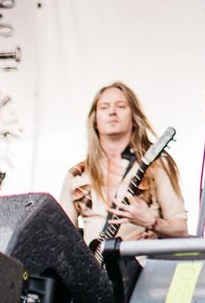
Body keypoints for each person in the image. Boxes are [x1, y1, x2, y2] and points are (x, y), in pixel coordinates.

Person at [57, 81, 189, 245]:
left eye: (121, 106)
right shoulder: (77, 175)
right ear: (95, 121)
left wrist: (151, 221)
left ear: (134, 119)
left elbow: (182, 231)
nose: (112, 112)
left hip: (142, 267)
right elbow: (64, 239)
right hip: (93, 269)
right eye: (104, 107)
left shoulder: (156, 166)